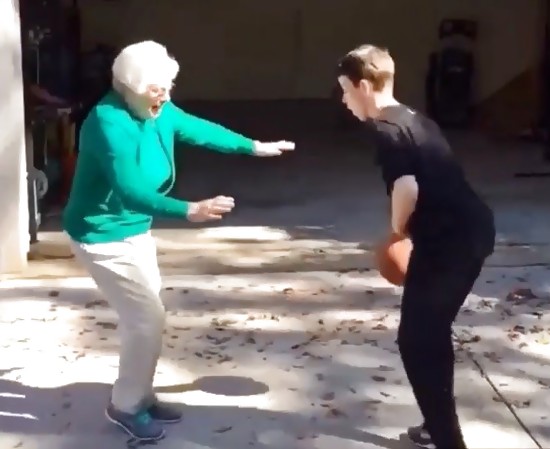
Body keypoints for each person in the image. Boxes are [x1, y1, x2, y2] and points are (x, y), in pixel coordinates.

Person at [62, 40, 295, 442]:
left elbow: (198, 129)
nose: (165, 96)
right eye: (157, 89)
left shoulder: (156, 109)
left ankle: (141, 395)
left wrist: (254, 147)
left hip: (135, 229)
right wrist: (189, 210)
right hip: (100, 236)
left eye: (168, 86)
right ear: (131, 87)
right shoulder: (106, 121)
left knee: (147, 318)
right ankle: (125, 405)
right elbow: (130, 190)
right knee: (146, 319)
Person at [336, 44, 495, 449]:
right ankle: (435, 424)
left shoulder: (386, 131)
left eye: (345, 90)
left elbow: (407, 186)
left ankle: (446, 440)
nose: (344, 100)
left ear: (364, 87)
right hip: (471, 231)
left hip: (449, 245)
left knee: (417, 341)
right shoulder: (414, 118)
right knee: (431, 333)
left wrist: (397, 229)